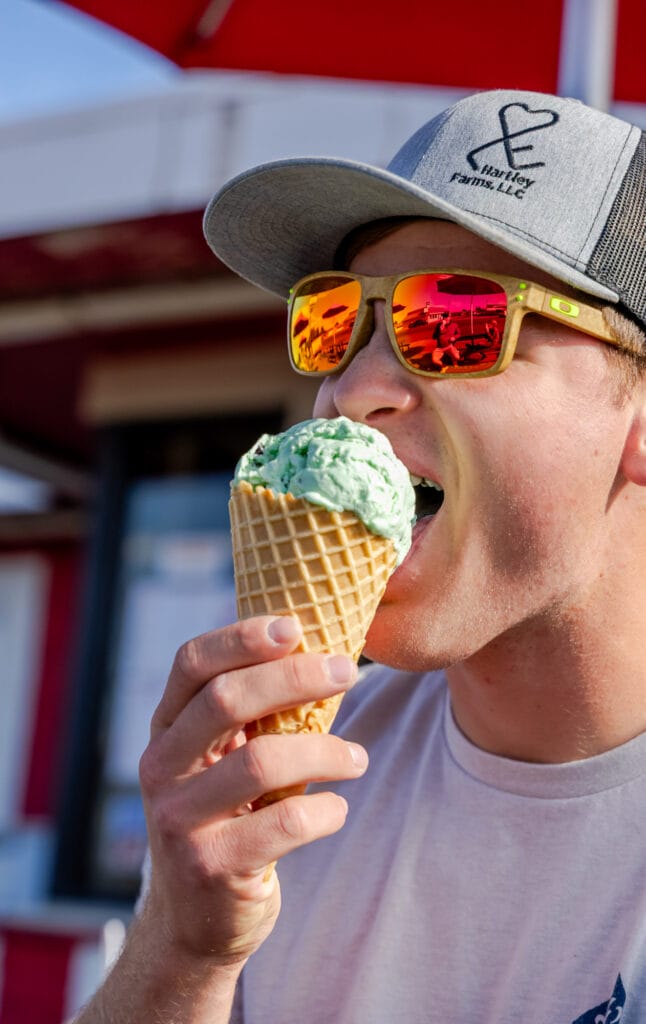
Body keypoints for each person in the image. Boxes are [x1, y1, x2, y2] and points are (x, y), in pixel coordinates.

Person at [76, 88, 646, 1023]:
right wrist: (183, 952)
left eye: (454, 320)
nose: (355, 388)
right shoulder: (271, 796)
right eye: (333, 322)